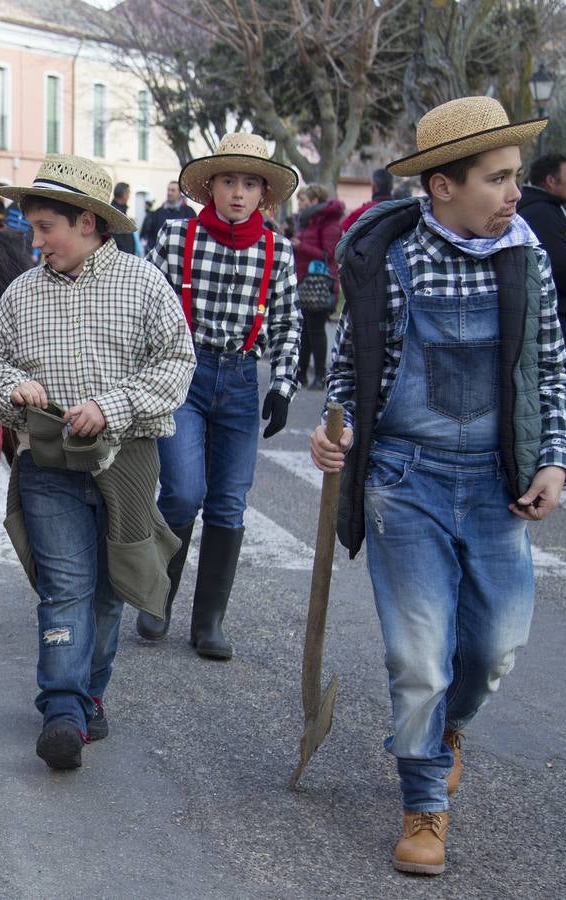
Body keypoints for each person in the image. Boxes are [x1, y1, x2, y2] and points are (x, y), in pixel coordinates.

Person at [310, 96, 566, 876]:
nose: (512, 194)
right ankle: (424, 801)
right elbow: (351, 373)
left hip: (497, 484)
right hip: (405, 481)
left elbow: (552, 371)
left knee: (493, 649)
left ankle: (446, 727)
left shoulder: (528, 257)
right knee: (419, 658)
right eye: (494, 179)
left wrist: (554, 459)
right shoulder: (388, 262)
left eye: (515, 177)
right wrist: (336, 431)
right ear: (441, 187)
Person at [0, 155, 195, 770]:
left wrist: (113, 404)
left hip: (127, 462)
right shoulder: (21, 292)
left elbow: (177, 364)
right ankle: (63, 711)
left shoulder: (144, 284)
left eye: (47, 227)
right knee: (66, 587)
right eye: (32, 228)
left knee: (108, 591)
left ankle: (90, 690)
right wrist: (12, 388)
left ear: (88, 222)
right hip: (48, 465)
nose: (36, 240)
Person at [137, 133, 301, 659]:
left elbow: (287, 323)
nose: (238, 192)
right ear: (210, 187)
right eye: (229, 181)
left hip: (239, 379)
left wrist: (281, 385)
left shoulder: (278, 250)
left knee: (229, 502)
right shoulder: (176, 237)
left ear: (263, 195)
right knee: (184, 492)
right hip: (183, 372)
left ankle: (209, 622)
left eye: (250, 183)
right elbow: (148, 309)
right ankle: (156, 596)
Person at [517, 153, 566, 360]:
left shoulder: (549, 209)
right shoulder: (543, 213)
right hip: (552, 316)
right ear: (551, 180)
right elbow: (562, 268)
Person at [292, 183, 346, 388]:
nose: (300, 205)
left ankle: (321, 375)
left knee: (315, 330)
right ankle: (302, 374)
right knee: (305, 331)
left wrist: (301, 246)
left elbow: (330, 255)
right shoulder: (307, 222)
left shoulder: (329, 224)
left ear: (314, 201)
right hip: (304, 281)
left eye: (303, 200)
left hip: (320, 284)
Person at [139, 180, 195, 251]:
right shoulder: (157, 213)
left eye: (173, 190)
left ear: (180, 193)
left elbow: (193, 234)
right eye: (168, 190)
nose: (169, 193)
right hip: (160, 254)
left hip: (182, 253)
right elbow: (150, 235)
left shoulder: (189, 212)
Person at [343, 167, 394, 232]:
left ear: (374, 186)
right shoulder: (402, 209)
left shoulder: (360, 213)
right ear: (392, 187)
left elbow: (345, 229)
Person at [111, 182, 140, 254]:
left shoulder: (120, 211)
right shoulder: (116, 213)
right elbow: (118, 239)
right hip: (120, 257)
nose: (129, 196)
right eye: (128, 193)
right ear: (124, 195)